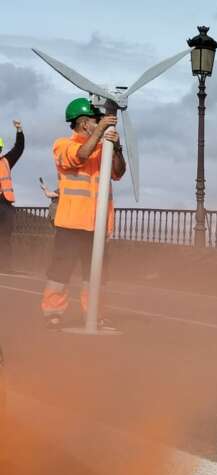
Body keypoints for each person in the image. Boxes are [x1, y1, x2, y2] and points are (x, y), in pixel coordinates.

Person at [40, 98, 126, 329]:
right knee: (60, 271)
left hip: (97, 225)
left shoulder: (103, 148)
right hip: (71, 223)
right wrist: (100, 133)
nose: (101, 124)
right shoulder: (62, 145)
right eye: (97, 120)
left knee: (96, 275)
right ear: (84, 123)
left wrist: (116, 147)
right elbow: (80, 155)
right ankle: (53, 312)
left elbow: (119, 172)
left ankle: (95, 315)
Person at [0, 120, 24, 273]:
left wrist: (19, 130)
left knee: (5, 238)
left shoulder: (6, 161)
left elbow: (19, 148)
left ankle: (5, 267)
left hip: (5, 205)